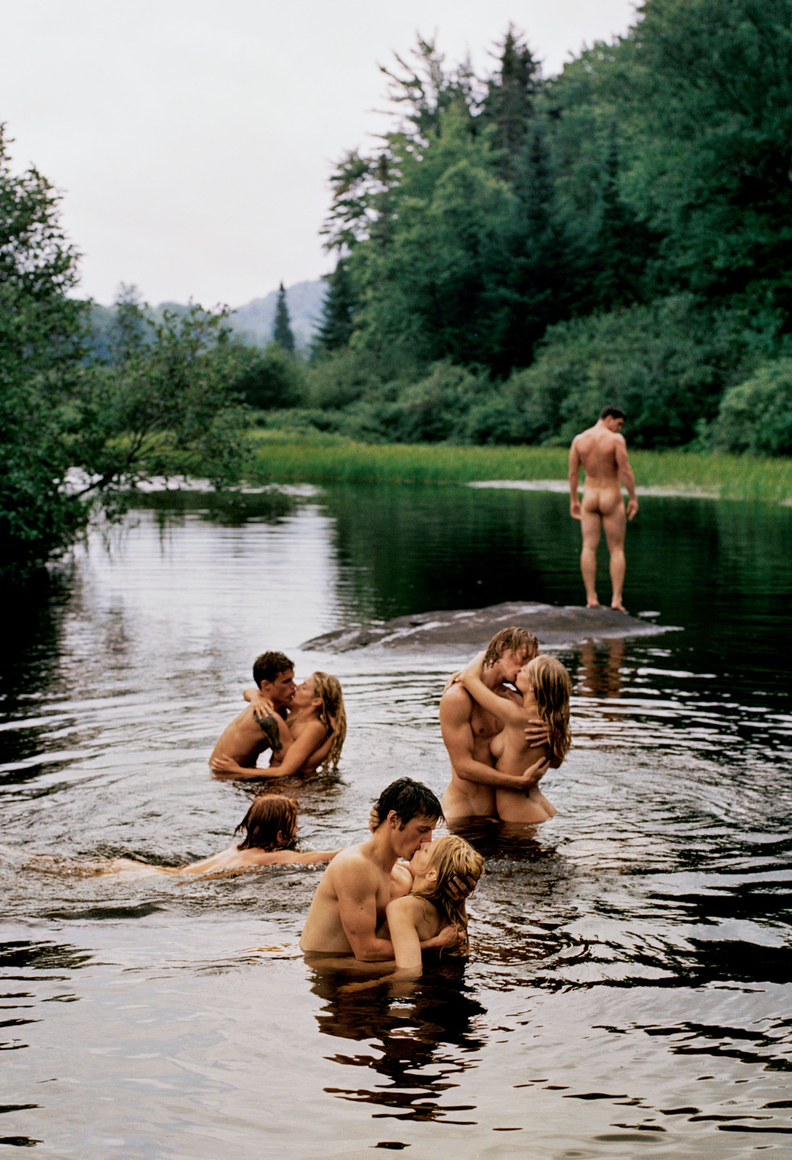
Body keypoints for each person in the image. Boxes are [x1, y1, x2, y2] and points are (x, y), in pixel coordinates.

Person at [300, 778, 462, 961]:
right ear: (393, 819)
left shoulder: (403, 873)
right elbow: (366, 951)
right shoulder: (354, 867)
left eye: (431, 831)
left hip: (361, 965)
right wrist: (434, 945)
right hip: (331, 970)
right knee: (428, 967)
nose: (427, 840)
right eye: (422, 830)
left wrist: (458, 894)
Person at [30, 796, 340, 877]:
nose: (299, 830)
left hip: (147, 871)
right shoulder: (274, 855)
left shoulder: (239, 848)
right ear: (282, 832)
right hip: (158, 881)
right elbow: (319, 858)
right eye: (295, 824)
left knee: (66, 871)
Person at [440, 627, 553, 825]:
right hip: (466, 813)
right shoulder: (457, 697)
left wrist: (553, 733)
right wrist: (517, 783)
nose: (525, 667)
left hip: (509, 814)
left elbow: (550, 759)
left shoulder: (517, 701)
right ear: (501, 648)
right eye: (523, 658)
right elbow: (463, 767)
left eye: (530, 663)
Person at [459, 653, 571, 824]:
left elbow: (468, 678)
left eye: (527, 669)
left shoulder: (515, 716)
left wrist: (488, 653)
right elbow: (555, 763)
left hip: (521, 815)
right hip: (538, 805)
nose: (521, 668)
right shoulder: (549, 722)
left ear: (533, 687)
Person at [210, 658, 346, 780]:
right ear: (266, 685)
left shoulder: (313, 726)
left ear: (316, 701)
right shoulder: (290, 709)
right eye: (287, 681)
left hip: (287, 785)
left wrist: (335, 734)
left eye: (303, 687)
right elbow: (249, 691)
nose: (295, 686)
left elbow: (303, 768)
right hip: (246, 777)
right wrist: (254, 697)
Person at [568, 405, 639, 612]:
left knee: (588, 547)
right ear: (609, 418)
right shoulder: (615, 440)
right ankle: (616, 600)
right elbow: (625, 471)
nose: (619, 429)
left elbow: (573, 474)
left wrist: (574, 500)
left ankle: (591, 598)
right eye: (618, 424)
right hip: (611, 497)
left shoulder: (579, 440)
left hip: (589, 497)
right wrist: (633, 497)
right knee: (616, 548)